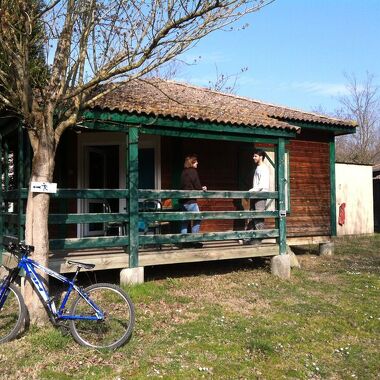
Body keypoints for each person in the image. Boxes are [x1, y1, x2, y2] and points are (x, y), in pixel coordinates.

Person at [179, 154, 207, 248]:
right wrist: (202, 188)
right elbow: (197, 186)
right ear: (192, 162)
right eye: (196, 161)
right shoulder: (193, 171)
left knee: (184, 222)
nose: (197, 163)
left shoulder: (183, 172)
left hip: (183, 202)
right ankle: (195, 241)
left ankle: (184, 242)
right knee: (197, 219)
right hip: (191, 201)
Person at [244, 149, 270, 245]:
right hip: (256, 194)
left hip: (261, 195)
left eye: (255, 156)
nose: (253, 157)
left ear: (261, 157)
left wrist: (251, 191)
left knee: (258, 217)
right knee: (251, 216)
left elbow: (262, 185)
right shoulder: (258, 168)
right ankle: (248, 239)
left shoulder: (264, 168)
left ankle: (258, 240)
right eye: (253, 156)